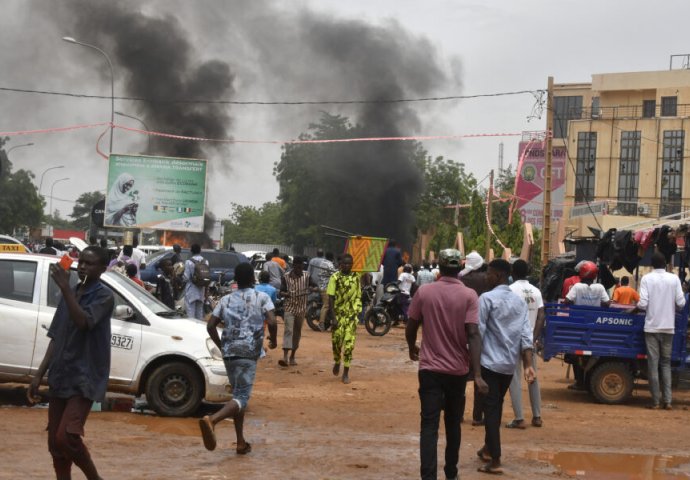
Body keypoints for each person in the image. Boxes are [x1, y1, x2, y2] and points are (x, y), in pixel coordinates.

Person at [27, 246, 114, 480]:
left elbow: (84, 322)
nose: (83, 266)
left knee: (66, 437)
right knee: (55, 445)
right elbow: (56, 336)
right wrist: (38, 375)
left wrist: (65, 289)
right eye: (81, 261)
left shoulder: (104, 296)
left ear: (102, 270)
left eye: (90, 263)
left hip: (84, 378)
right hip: (60, 375)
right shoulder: (71, 292)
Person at [406, 248, 487, 480]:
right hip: (457, 371)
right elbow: (473, 334)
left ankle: (428, 476)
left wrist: (412, 347)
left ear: (439, 268)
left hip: (430, 370)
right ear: (460, 268)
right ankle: (451, 473)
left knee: (429, 426)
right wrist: (478, 374)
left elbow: (411, 325)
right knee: (453, 424)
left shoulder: (425, 292)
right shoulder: (469, 296)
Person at [199, 263, 278, 454]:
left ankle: (241, 442)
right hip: (248, 354)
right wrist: (273, 340)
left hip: (229, 354)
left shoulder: (225, 299)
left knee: (238, 398)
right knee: (242, 397)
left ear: (236, 279)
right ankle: (213, 420)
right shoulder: (262, 297)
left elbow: (210, 326)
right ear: (253, 279)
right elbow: (273, 321)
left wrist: (223, 347)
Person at [476, 259, 535, 475]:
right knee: (496, 406)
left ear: (499, 276)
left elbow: (478, 333)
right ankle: (488, 448)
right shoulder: (519, 302)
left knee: (490, 410)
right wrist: (528, 365)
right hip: (509, 366)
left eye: (489, 273)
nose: (486, 276)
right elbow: (525, 334)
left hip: (490, 364)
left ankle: (495, 460)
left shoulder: (486, 299)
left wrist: (472, 365)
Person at [633, 252, 685, 410]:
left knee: (653, 365)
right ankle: (668, 401)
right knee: (666, 364)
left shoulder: (647, 278)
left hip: (651, 327)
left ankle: (656, 401)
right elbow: (681, 303)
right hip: (669, 327)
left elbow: (642, 304)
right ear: (666, 263)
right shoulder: (674, 278)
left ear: (652, 264)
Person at [506, 259, 545, 429]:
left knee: (514, 379)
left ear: (513, 272)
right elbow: (541, 316)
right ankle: (537, 417)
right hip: (530, 340)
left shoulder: (509, 290)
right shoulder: (536, 291)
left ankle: (519, 418)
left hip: (513, 340)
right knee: (532, 377)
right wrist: (533, 337)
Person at [458, 251, 491, 427]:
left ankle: (459, 414)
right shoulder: (486, 279)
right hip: (481, 333)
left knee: (461, 375)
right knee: (480, 374)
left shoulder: (461, 280)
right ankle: (478, 416)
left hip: (462, 331)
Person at [327, 253, 362, 384]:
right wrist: (333, 317)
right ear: (340, 264)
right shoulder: (334, 278)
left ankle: (346, 371)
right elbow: (330, 297)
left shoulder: (356, 278)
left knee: (349, 345)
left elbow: (358, 295)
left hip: (351, 316)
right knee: (336, 342)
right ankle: (337, 361)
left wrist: (357, 311)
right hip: (338, 315)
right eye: (344, 263)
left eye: (349, 263)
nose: (347, 265)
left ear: (352, 264)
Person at [279, 256, 317, 367]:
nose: (300, 269)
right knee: (288, 330)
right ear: (294, 266)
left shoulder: (307, 275)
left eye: (301, 267)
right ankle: (285, 356)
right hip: (289, 307)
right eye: (298, 266)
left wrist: (312, 289)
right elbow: (281, 291)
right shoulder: (286, 277)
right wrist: (286, 294)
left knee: (297, 333)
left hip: (301, 308)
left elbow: (314, 286)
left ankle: (292, 356)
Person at [307, 250, 336, 331]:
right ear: (332, 258)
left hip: (321, 285)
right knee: (326, 305)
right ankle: (321, 323)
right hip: (325, 287)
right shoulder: (329, 264)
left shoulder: (323, 263)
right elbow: (334, 274)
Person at [183, 244, 208, 320]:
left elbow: (186, 277)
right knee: (199, 313)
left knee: (190, 312)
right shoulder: (206, 261)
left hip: (191, 290)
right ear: (200, 250)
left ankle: (191, 330)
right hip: (201, 290)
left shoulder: (188, 262)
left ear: (191, 251)